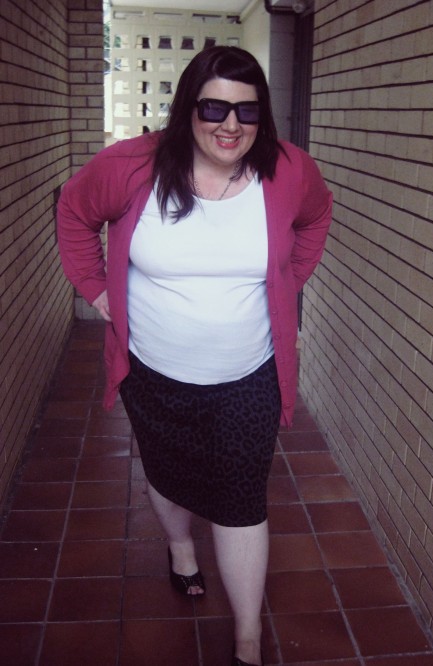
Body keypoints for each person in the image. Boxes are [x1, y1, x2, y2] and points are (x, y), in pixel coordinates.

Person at [57, 45, 332, 666]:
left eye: (247, 111)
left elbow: (316, 220)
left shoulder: (288, 170)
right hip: (153, 373)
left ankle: (246, 640)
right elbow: (74, 212)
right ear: (188, 108)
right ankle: (181, 550)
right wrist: (98, 289)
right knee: (166, 474)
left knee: (241, 498)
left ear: (263, 117)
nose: (230, 125)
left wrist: (288, 281)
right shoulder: (131, 166)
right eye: (214, 107)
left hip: (248, 377)